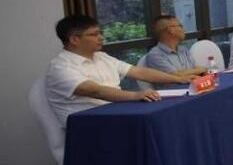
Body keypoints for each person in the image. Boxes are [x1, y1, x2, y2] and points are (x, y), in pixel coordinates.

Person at [45, 14, 192, 128]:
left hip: (117, 112)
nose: (101, 38)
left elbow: (139, 72)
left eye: (100, 33)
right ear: (74, 40)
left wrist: (178, 79)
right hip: (88, 124)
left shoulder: (102, 57)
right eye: (94, 34)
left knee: (166, 119)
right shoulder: (60, 67)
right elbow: (95, 91)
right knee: (155, 126)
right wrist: (135, 95)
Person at [143, 14, 207, 83]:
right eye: (180, 26)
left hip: (192, 85)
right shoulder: (155, 55)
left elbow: (196, 69)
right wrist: (197, 71)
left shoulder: (183, 50)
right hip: (175, 89)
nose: (184, 30)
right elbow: (174, 76)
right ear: (171, 30)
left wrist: (195, 71)